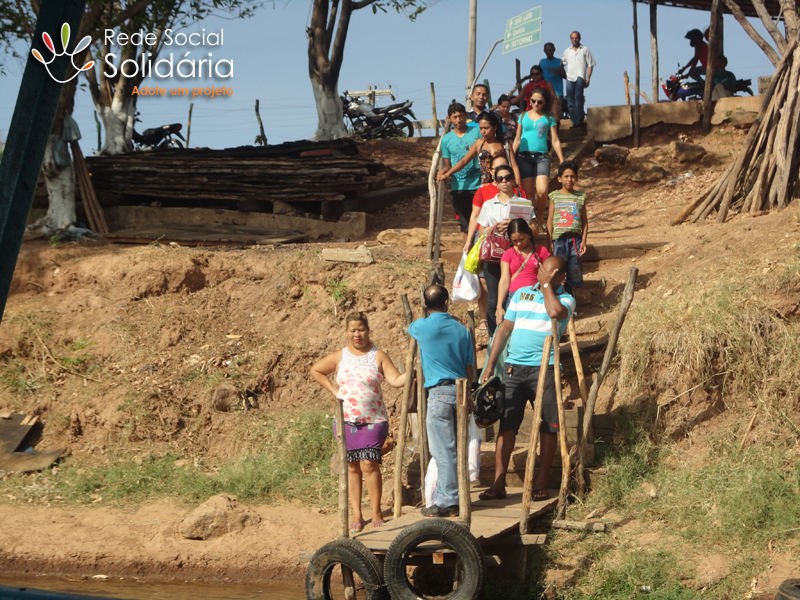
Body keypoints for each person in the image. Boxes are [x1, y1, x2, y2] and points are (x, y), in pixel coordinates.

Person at [479, 256, 576, 502]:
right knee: (507, 424)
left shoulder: (566, 299)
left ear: (560, 277)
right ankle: (499, 482)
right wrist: (490, 365)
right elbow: (505, 329)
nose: (542, 273)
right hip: (513, 368)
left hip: (545, 368)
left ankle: (541, 481)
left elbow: (554, 312)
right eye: (543, 269)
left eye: (550, 272)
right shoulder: (521, 293)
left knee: (548, 425)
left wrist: (545, 287)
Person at [310, 312, 406, 532]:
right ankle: (356, 513)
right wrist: (334, 391)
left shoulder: (378, 356)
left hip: (374, 420)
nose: (357, 334)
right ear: (346, 332)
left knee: (369, 464)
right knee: (352, 467)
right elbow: (316, 370)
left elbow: (394, 379)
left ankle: (376, 511)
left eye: (360, 329)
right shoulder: (340, 357)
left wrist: (411, 373)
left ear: (368, 330)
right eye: (352, 330)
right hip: (345, 421)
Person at [409, 285, 475, 518]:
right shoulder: (461, 330)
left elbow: (411, 327)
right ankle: (456, 496)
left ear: (426, 305)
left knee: (443, 450)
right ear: (447, 302)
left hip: (438, 393)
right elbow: (470, 366)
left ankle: (450, 501)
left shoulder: (421, 327)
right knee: (456, 447)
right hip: (460, 391)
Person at [473, 164, 531, 336]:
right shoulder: (489, 205)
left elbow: (534, 228)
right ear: (495, 182)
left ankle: (516, 336)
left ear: (514, 180)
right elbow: (481, 231)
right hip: (494, 257)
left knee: (516, 296)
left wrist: (518, 226)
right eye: (500, 179)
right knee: (493, 299)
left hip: (518, 254)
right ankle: (494, 338)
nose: (504, 181)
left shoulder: (524, 203)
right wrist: (495, 227)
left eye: (507, 177)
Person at [512, 87, 565, 222]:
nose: (536, 104)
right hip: (524, 157)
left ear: (544, 103)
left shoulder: (549, 118)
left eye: (539, 102)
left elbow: (555, 140)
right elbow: (517, 139)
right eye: (533, 100)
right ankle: (531, 220)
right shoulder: (523, 116)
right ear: (530, 100)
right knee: (528, 193)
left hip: (542, 157)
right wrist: (510, 158)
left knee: (542, 190)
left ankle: (540, 216)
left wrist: (562, 160)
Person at [438, 112, 520, 192]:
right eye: (481, 128)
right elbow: (463, 161)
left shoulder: (505, 145)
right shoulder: (479, 143)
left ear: (495, 127)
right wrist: (447, 174)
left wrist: (519, 187)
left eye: (486, 128)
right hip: (486, 188)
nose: (483, 131)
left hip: (504, 186)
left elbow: (514, 166)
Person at [439, 102, 482, 245]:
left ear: (466, 116)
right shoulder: (446, 140)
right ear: (449, 119)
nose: (458, 120)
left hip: (479, 184)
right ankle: (467, 259)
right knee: (465, 226)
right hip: (459, 187)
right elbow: (448, 165)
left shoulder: (476, 132)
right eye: (455, 117)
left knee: (482, 223)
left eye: (461, 116)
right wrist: (444, 171)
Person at [496, 218, 551, 326]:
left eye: (522, 239)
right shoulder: (508, 254)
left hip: (536, 296)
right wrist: (499, 307)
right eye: (514, 241)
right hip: (514, 297)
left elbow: (549, 274)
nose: (519, 243)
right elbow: (504, 280)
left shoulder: (541, 251)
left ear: (529, 234)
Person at [547, 160, 588, 290]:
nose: (569, 179)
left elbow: (584, 220)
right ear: (559, 178)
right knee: (558, 267)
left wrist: (584, 241)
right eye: (566, 176)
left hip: (575, 240)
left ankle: (574, 298)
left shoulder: (581, 196)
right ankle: (558, 295)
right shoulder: (554, 196)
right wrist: (549, 241)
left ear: (576, 178)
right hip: (559, 240)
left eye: (572, 176)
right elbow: (550, 219)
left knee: (575, 267)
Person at [561, 31, 596, 129]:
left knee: (578, 98)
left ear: (579, 38)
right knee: (570, 100)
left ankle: (580, 119)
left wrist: (588, 78)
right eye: (572, 38)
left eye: (576, 38)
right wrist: (563, 74)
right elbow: (561, 63)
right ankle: (574, 121)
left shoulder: (585, 50)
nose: (574, 40)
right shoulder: (567, 51)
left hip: (580, 77)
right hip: (570, 77)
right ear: (570, 39)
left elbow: (590, 65)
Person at [540, 42, 566, 120]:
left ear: (554, 50)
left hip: (557, 91)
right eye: (547, 50)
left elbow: (565, 76)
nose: (549, 52)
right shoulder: (542, 62)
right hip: (545, 91)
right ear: (544, 51)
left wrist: (559, 72)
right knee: (544, 111)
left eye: (550, 50)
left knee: (556, 112)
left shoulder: (559, 61)